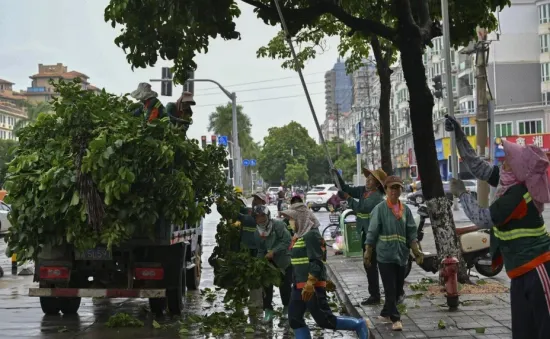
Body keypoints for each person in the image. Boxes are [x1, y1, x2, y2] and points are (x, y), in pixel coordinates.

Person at [445, 115, 550, 338]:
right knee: (523, 332)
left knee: (544, 329)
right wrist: (459, 137)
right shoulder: (508, 182)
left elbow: (483, 219)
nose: (503, 161)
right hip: (520, 271)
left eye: (509, 159)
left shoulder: (517, 195)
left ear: (519, 169)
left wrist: (463, 194)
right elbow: (479, 168)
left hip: (538, 268)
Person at [281, 207, 372, 339]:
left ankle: (359, 324)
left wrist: (311, 283)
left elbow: (317, 261)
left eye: (291, 219)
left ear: (300, 219)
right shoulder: (298, 236)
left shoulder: (311, 235)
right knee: (294, 319)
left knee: (324, 320)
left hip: (310, 285)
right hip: (298, 286)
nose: (290, 222)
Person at [365, 175, 423, 331]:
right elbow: (372, 231)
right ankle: (396, 319)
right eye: (392, 188)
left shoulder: (406, 210)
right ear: (386, 190)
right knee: (390, 288)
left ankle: (385, 312)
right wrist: (368, 251)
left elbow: (411, 231)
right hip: (384, 255)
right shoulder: (380, 209)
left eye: (397, 188)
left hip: (401, 256)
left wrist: (415, 250)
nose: (394, 191)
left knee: (398, 289)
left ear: (401, 190)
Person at [332, 167, 388, 305]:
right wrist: (337, 176)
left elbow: (360, 208)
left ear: (377, 184)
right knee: (368, 264)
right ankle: (374, 294)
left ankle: (377, 295)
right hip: (365, 232)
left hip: (374, 235)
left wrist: (348, 198)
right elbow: (347, 188)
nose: (368, 181)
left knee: (371, 264)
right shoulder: (364, 191)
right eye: (367, 178)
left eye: (371, 179)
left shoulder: (377, 197)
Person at [252, 204, 293, 322]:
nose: (260, 219)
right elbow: (260, 249)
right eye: (258, 217)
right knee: (266, 287)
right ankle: (268, 311)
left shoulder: (278, 225)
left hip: (283, 261)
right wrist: (258, 262)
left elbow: (287, 241)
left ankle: (286, 308)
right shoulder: (257, 232)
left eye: (263, 216)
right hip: (268, 264)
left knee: (285, 287)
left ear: (268, 216)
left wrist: (274, 251)